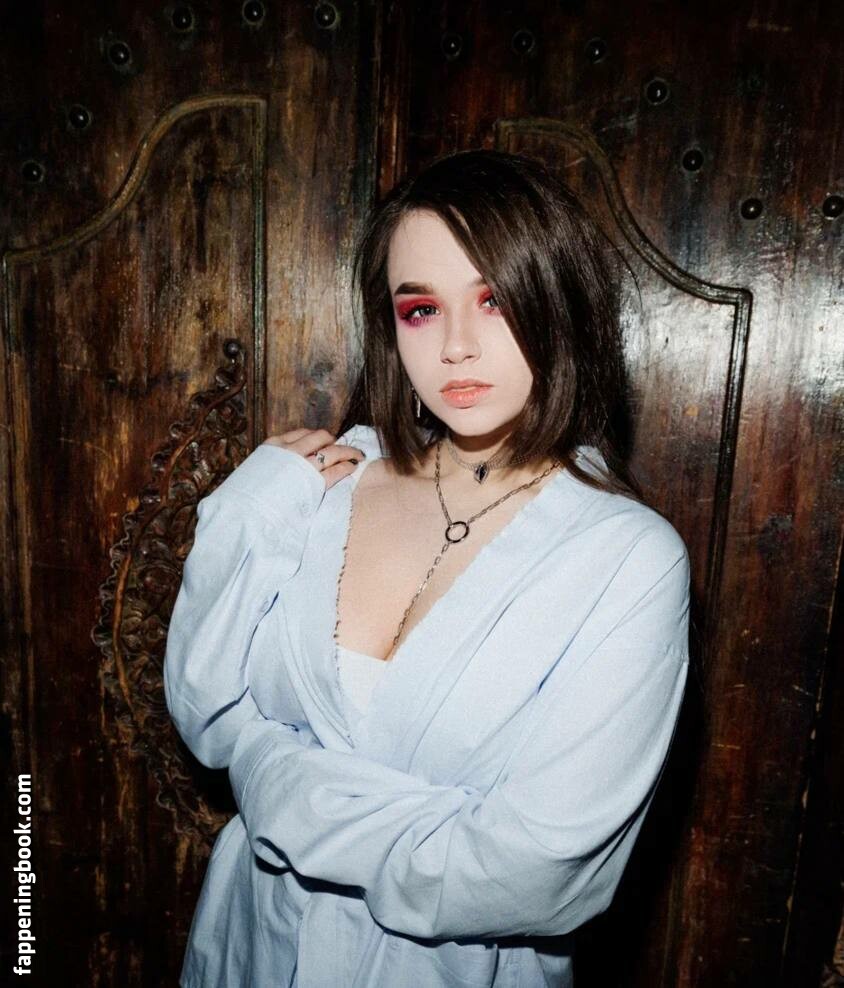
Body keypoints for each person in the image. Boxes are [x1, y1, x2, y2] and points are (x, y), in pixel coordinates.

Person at [163, 148, 691, 987]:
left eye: (494, 300)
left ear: (560, 305)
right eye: (420, 309)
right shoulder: (321, 485)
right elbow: (207, 713)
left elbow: (536, 872)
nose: (456, 346)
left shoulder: (626, 561)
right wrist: (242, 514)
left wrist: (275, 785)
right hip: (250, 943)